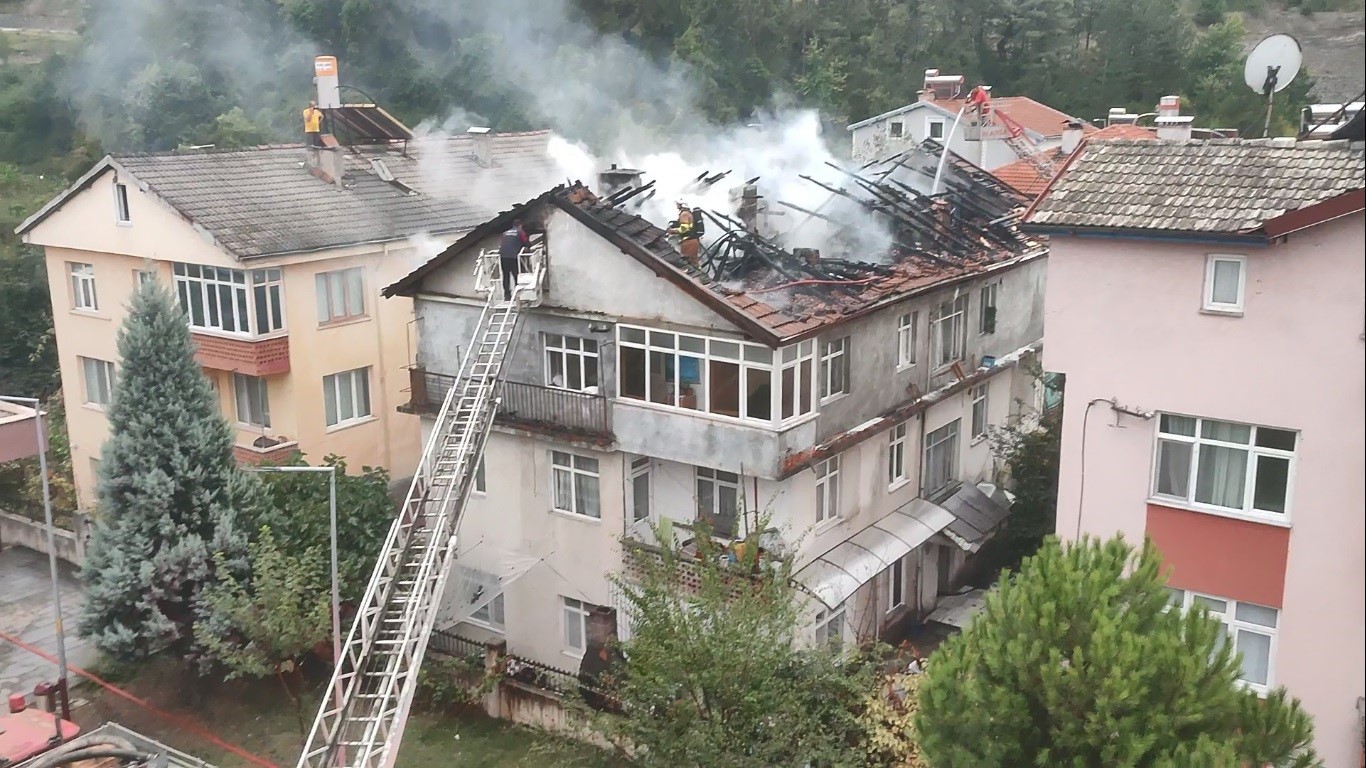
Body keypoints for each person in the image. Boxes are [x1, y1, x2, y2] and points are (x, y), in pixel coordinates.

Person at [499, 219, 530, 302]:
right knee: (517, 275)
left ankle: (507, 295)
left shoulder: (505, 233)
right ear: (520, 226)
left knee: (506, 276)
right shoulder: (520, 232)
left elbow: (502, 244)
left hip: (503, 257)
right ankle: (518, 295)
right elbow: (526, 242)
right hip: (513, 257)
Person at [666, 201, 700, 266]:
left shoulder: (684, 214)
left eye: (678, 203)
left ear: (682, 204)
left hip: (688, 242)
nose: (676, 205)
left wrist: (672, 231)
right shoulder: (688, 213)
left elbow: (684, 228)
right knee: (694, 263)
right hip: (693, 241)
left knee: (687, 263)